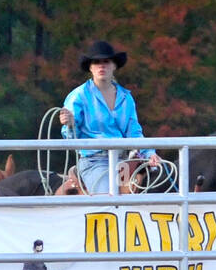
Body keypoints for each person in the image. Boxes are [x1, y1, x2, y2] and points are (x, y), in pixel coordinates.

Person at [59, 40, 159, 194]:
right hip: (94, 161)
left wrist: (149, 153)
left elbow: (134, 132)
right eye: (96, 62)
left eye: (106, 62)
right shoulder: (78, 96)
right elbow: (70, 136)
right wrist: (70, 123)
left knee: (153, 186)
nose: (101, 66)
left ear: (114, 66)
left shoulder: (126, 98)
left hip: (122, 161)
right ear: (90, 67)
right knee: (108, 199)